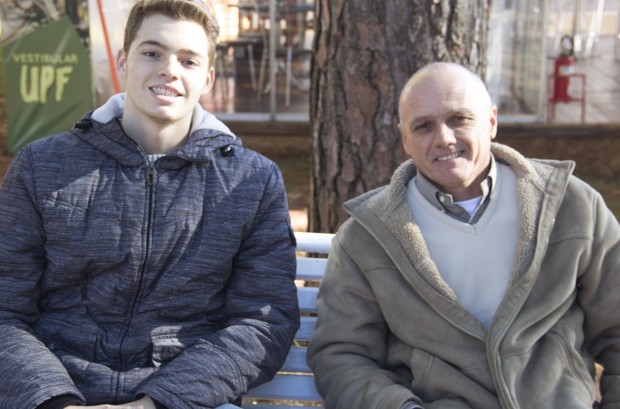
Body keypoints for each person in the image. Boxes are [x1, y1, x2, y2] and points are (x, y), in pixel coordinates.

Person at [0, 0, 299, 408]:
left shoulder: (252, 181)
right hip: (53, 386)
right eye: (152, 53)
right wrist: (56, 400)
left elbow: (262, 321)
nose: (169, 70)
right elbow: (5, 308)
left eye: (189, 61)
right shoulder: (42, 164)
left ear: (208, 79)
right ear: (124, 60)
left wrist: (154, 403)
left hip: (180, 394)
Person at [307, 62, 620, 408]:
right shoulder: (366, 237)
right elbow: (342, 354)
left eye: (459, 119)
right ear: (405, 140)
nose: (444, 138)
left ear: (491, 122)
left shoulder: (572, 206)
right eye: (423, 126)